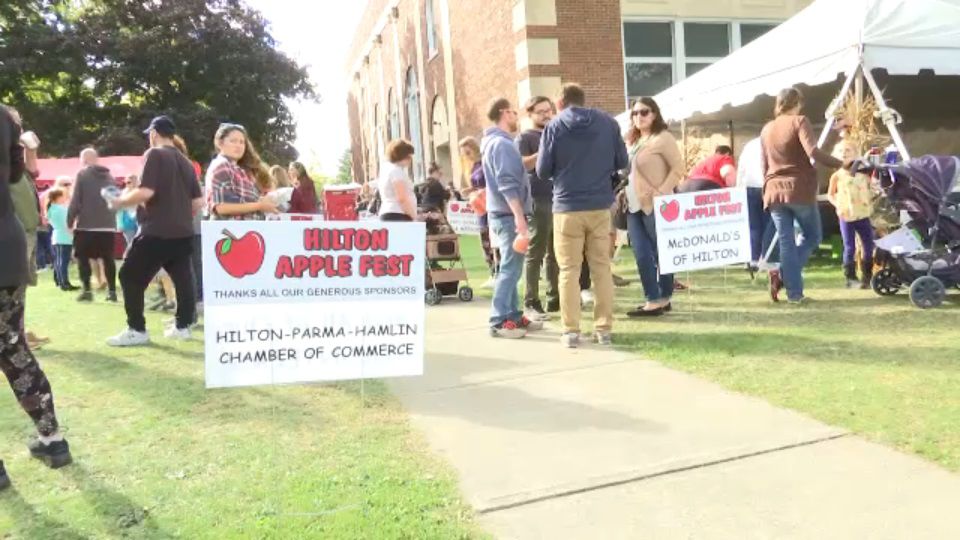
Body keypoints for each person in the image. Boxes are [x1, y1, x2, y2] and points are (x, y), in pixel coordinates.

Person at [0, 104, 73, 491]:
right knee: (14, 350)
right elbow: (17, 172)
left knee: (13, 350)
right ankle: (52, 440)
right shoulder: (4, 117)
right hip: (7, 246)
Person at [537, 83, 627, 347]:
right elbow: (622, 161)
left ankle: (570, 330)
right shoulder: (608, 123)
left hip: (566, 206)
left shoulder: (554, 126)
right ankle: (604, 329)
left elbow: (542, 170)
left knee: (568, 270)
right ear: (583, 99)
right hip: (599, 205)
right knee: (601, 268)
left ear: (560, 103)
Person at [106, 115, 203, 346]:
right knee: (183, 278)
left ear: (153, 133)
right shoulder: (186, 162)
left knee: (129, 275)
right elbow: (198, 202)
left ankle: (136, 329)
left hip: (157, 230)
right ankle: (183, 326)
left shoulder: (154, 154)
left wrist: (119, 202)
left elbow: (146, 192)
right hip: (183, 231)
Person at [762, 87, 848, 303]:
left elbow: (764, 165)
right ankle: (785, 277)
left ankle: (794, 294)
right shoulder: (799, 121)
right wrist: (842, 164)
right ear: (797, 103)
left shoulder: (767, 129)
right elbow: (813, 152)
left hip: (773, 190)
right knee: (813, 236)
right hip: (798, 188)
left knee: (786, 242)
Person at [483, 97, 539, 339]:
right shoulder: (502, 145)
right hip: (508, 214)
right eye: (514, 112)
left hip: (503, 213)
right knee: (510, 268)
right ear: (505, 113)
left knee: (512, 266)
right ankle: (498, 320)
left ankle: (513, 315)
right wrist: (519, 217)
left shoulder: (494, 142)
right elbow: (506, 183)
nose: (517, 117)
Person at [623, 97, 684, 317]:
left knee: (662, 252)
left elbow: (678, 168)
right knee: (641, 253)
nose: (639, 117)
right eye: (635, 113)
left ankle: (663, 296)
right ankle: (652, 296)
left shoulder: (663, 138)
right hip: (632, 204)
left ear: (655, 114)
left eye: (644, 112)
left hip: (656, 203)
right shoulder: (633, 140)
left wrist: (662, 191)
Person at [6, 107, 49, 348]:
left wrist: (31, 150)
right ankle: (13, 334)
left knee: (21, 286)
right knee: (11, 286)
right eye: (14, 122)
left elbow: (32, 173)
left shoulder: (13, 156)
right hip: (14, 232)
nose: (18, 126)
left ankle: (18, 330)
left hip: (28, 230)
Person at [516, 95, 560, 319]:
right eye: (540, 111)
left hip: (560, 198)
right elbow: (521, 164)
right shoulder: (526, 137)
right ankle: (531, 300)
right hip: (538, 198)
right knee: (536, 251)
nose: (546, 114)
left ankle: (555, 298)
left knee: (556, 252)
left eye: (548, 110)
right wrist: (543, 150)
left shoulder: (556, 132)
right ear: (530, 114)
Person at [68, 148, 118, 302]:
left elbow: (76, 200)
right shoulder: (110, 176)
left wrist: (70, 220)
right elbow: (116, 199)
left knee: (83, 258)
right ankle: (112, 291)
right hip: (108, 226)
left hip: (87, 225)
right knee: (108, 258)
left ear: (84, 160)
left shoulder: (82, 174)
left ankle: (87, 290)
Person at [828, 140, 875, 289]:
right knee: (849, 246)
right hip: (846, 215)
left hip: (862, 214)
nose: (844, 154)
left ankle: (867, 275)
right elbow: (830, 194)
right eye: (841, 151)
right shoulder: (837, 175)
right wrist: (838, 205)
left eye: (848, 150)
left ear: (856, 154)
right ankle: (850, 277)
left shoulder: (863, 174)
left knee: (868, 244)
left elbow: (872, 188)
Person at [206, 123, 277, 220]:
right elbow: (221, 207)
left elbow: (242, 201)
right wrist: (259, 206)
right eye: (233, 141)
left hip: (244, 230)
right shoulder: (222, 165)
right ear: (220, 143)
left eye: (242, 142)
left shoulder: (238, 169)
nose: (238, 146)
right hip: (229, 232)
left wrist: (261, 201)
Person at [459, 136, 499, 287]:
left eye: (467, 152)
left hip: (489, 203)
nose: (466, 155)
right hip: (479, 206)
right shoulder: (473, 166)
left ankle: (499, 271)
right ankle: (492, 271)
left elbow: (491, 181)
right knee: (485, 240)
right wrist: (470, 189)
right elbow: (476, 184)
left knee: (493, 238)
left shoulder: (485, 162)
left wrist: (481, 189)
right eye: (464, 153)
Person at [738, 137, 776, 268]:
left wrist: (739, 188)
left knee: (753, 225)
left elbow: (741, 168)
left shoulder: (749, 144)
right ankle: (766, 258)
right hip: (768, 185)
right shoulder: (774, 142)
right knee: (768, 224)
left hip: (749, 186)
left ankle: (752, 258)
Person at [46, 188, 79, 291]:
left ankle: (61, 281)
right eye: (63, 196)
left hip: (58, 236)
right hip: (64, 237)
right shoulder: (61, 209)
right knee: (63, 261)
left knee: (60, 260)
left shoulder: (52, 208)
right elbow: (68, 223)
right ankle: (64, 283)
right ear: (58, 197)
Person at [377, 140, 418, 222]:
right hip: (398, 214)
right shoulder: (397, 171)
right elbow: (402, 198)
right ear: (402, 156)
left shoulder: (386, 170)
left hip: (389, 212)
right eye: (409, 157)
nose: (410, 160)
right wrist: (413, 216)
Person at [117, 174, 140, 249]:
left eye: (130, 182)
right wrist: (120, 225)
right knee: (131, 243)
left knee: (138, 244)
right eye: (127, 182)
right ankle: (128, 258)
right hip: (127, 223)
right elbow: (119, 211)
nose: (128, 184)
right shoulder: (123, 194)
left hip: (139, 222)